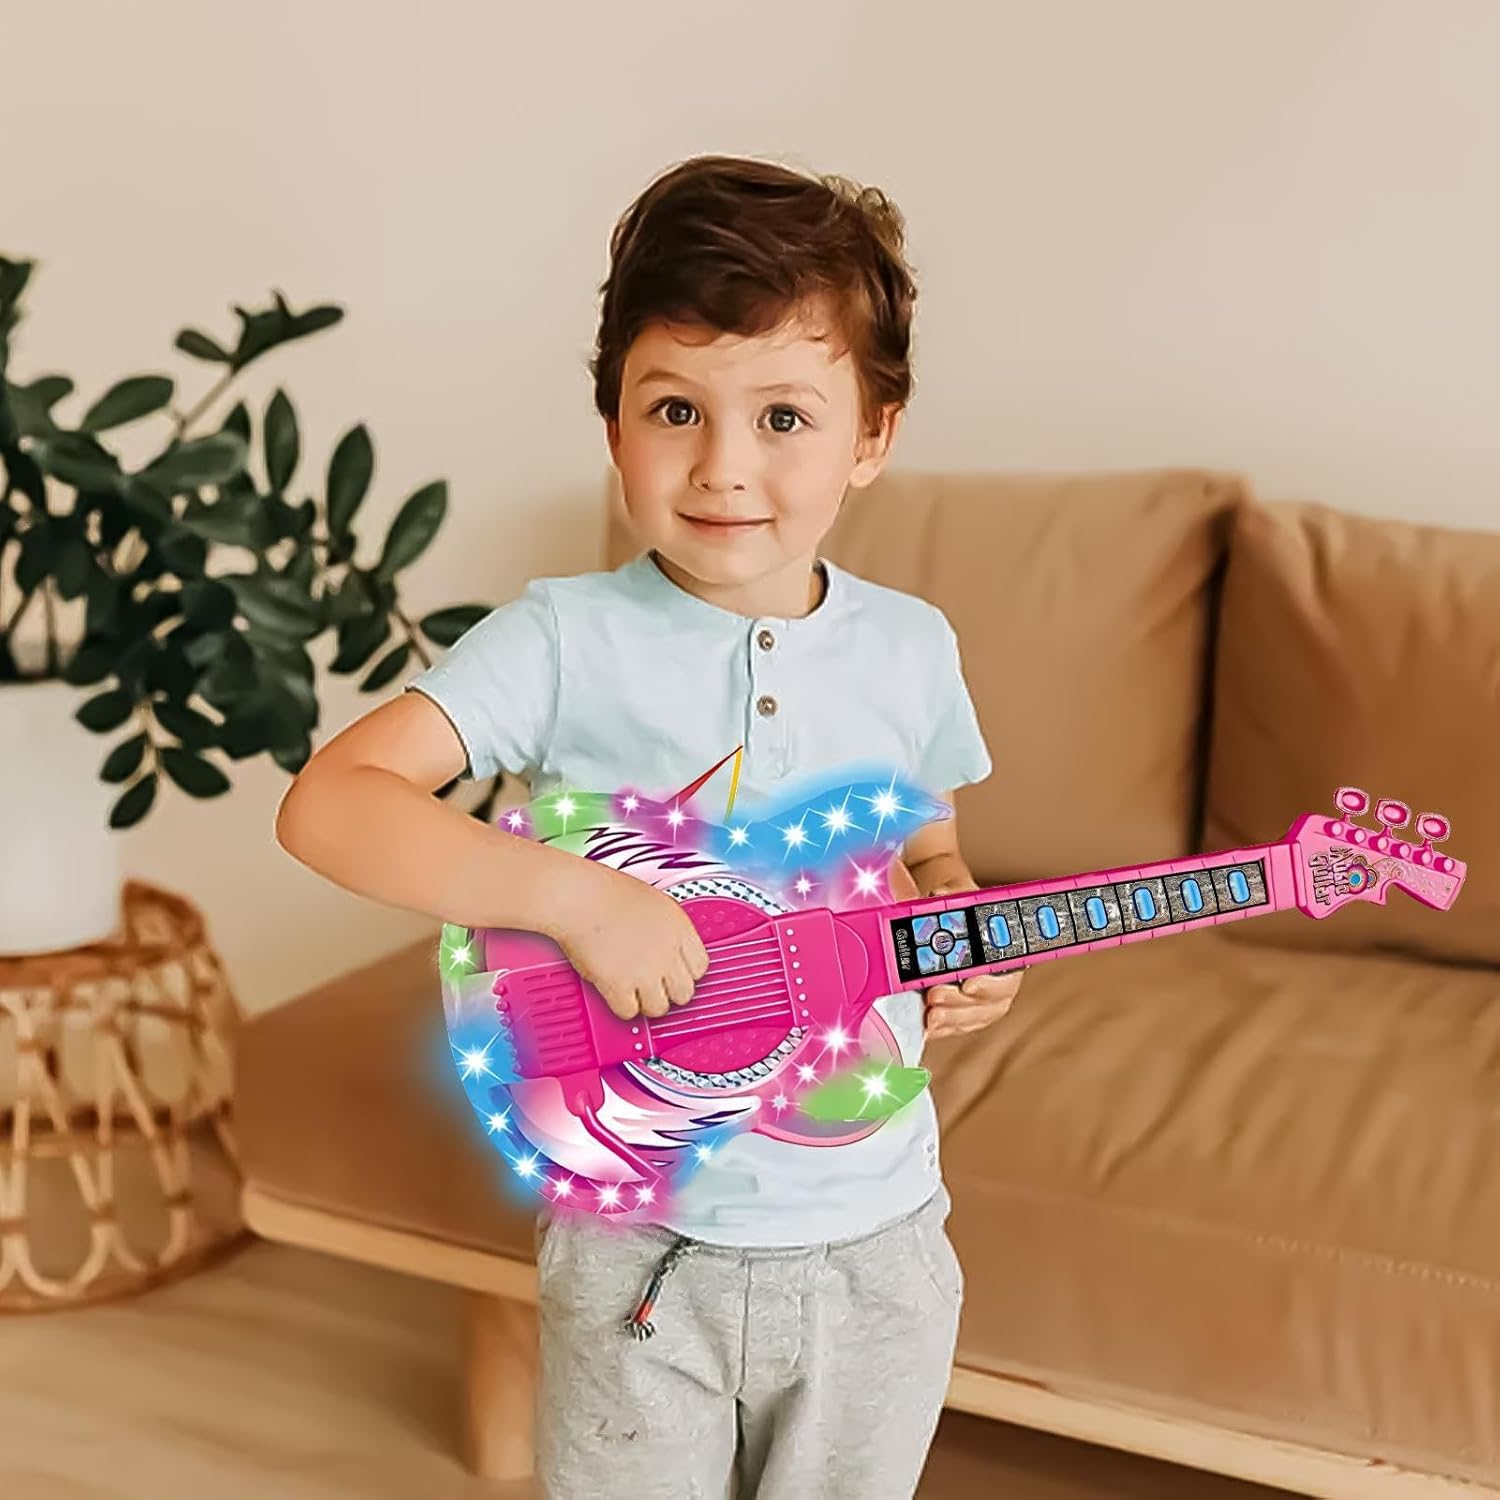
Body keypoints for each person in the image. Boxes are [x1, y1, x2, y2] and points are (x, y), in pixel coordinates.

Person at [275, 151, 1023, 1500]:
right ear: (613, 424)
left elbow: (927, 847)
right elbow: (330, 804)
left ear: (873, 436)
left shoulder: (914, 649)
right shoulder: (563, 642)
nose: (724, 467)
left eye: (784, 417)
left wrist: (958, 927)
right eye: (675, 408)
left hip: (881, 1241)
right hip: (637, 1253)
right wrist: (576, 899)